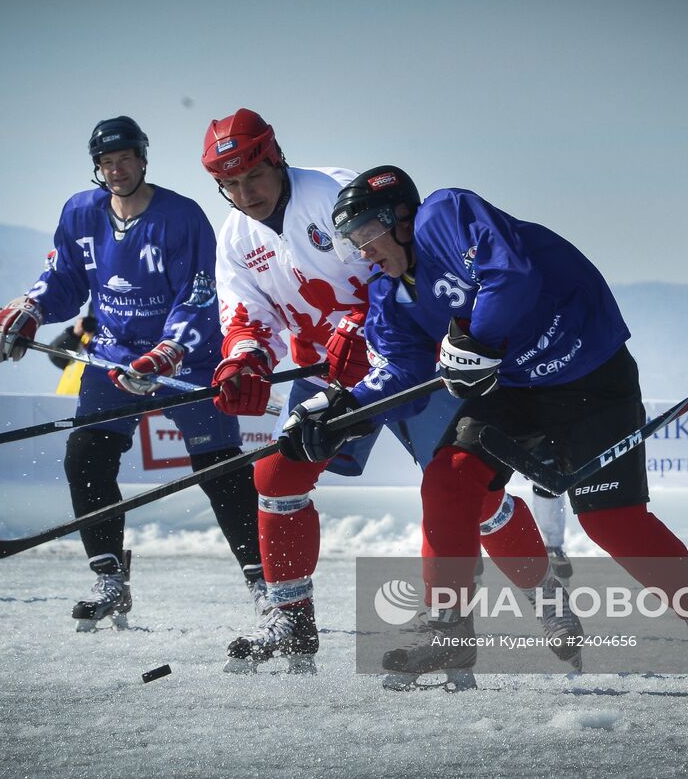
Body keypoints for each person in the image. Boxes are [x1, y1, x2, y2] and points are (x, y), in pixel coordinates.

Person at [285, 165, 688, 691]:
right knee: (448, 478)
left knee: (612, 522)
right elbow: (401, 372)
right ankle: (447, 631)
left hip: (593, 378)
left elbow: (511, 274)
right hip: (513, 391)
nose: (363, 253)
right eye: (352, 245)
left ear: (401, 218)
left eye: (366, 236)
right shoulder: (389, 293)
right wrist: (343, 412)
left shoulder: (444, 214)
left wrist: (480, 342)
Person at [201, 110, 562, 675]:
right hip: (330, 375)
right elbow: (247, 315)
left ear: (277, 158)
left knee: (473, 493)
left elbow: (394, 266)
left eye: (255, 178)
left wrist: (356, 322)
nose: (246, 195)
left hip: (410, 358)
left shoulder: (332, 193)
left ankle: (545, 592)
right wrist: (244, 359)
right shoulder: (235, 237)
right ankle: (291, 618)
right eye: (231, 185)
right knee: (275, 473)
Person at [0, 116, 264, 631]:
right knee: (86, 457)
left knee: (218, 468)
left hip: (186, 357)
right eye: (106, 163)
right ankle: (109, 579)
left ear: (143, 159)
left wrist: (170, 352)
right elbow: (65, 279)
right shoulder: (79, 212)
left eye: (124, 160)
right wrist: (30, 310)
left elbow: (201, 294)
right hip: (112, 357)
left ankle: (266, 586)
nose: (115, 171)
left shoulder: (182, 217)